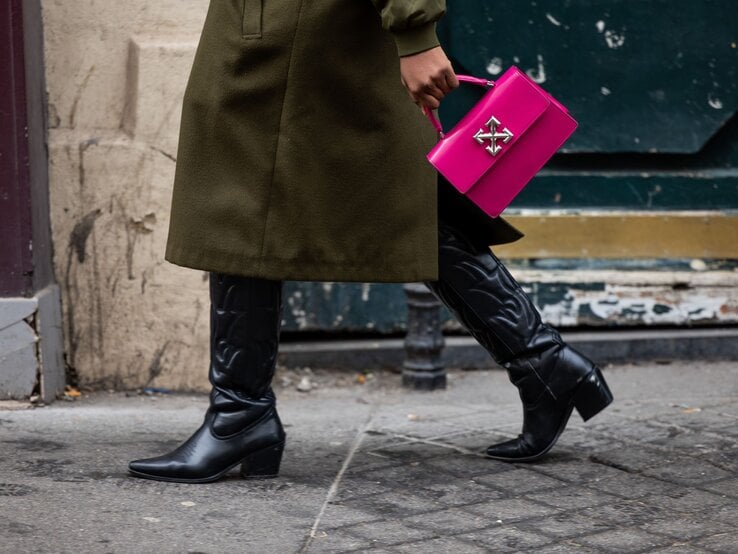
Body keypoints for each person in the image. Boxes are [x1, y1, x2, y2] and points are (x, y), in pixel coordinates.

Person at [128, 0, 613, 483]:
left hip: (298, 30)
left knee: (246, 198)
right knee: (337, 201)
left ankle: (240, 416)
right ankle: (545, 366)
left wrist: (415, 30)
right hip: (281, 27)